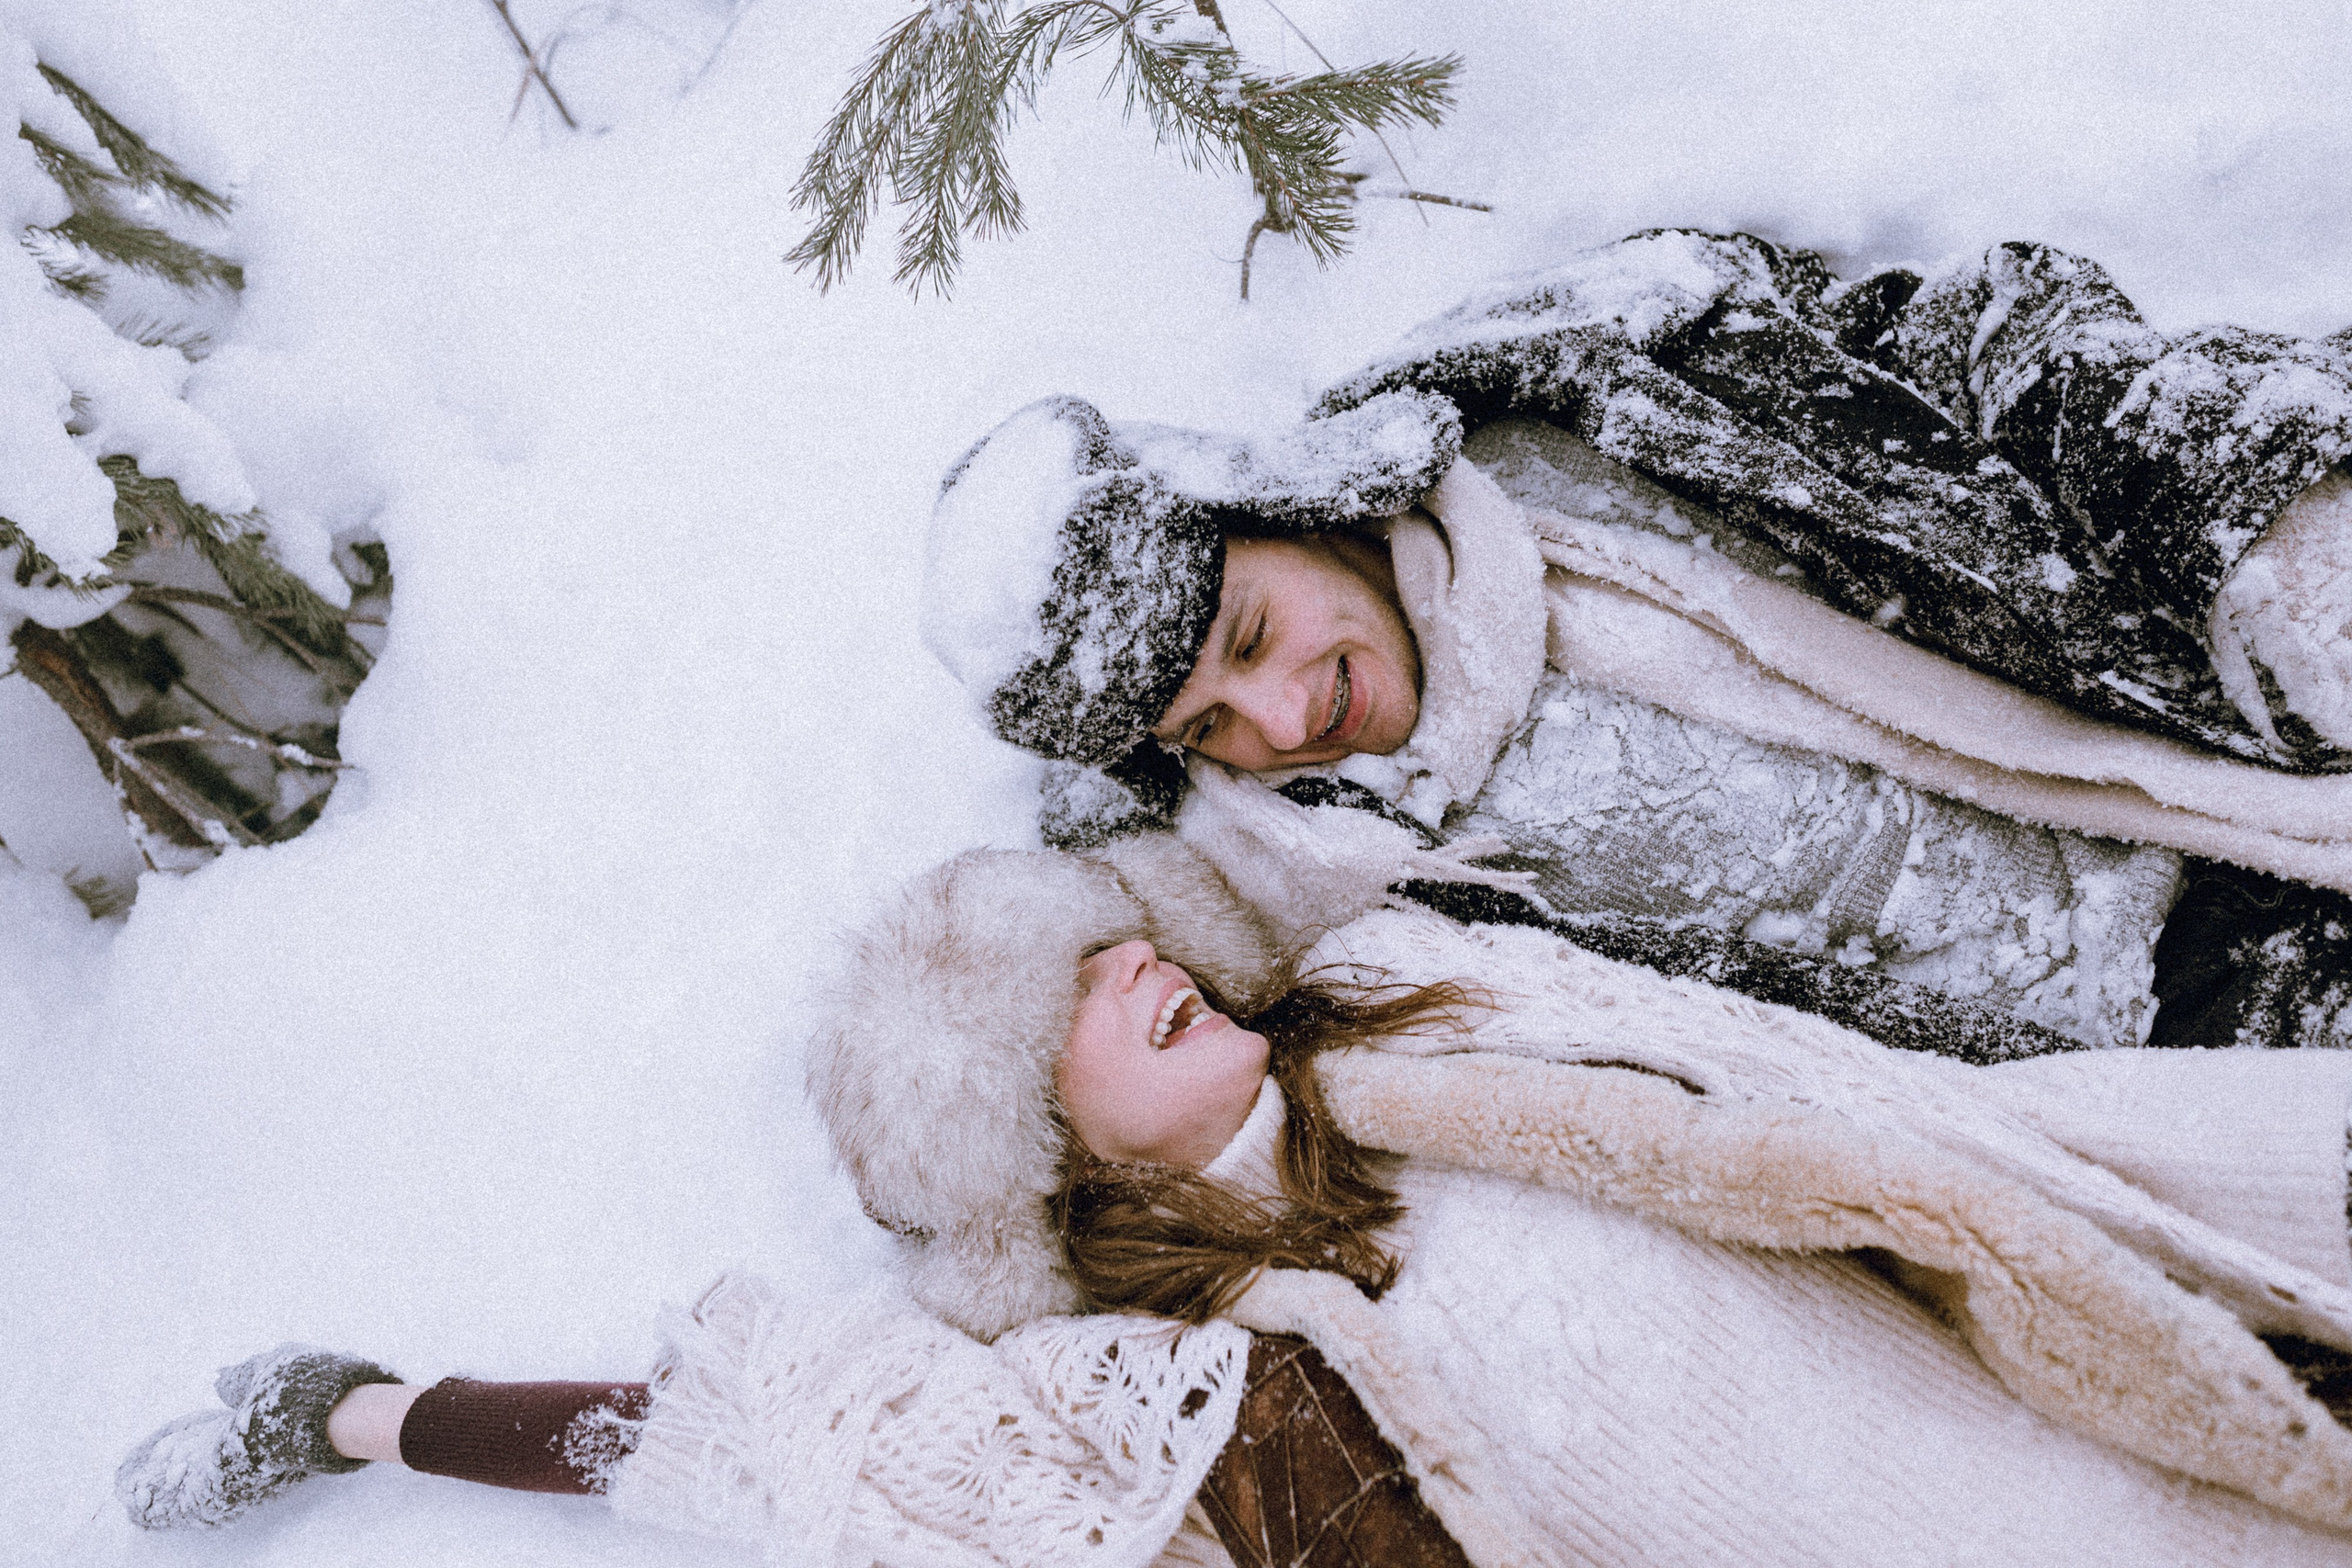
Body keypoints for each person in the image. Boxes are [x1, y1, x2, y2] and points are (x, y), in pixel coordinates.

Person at [119, 839, 2352, 1563]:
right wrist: (373, 1411)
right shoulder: (1191, 1381)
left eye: (1124, 927)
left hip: (2086, 1269)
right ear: (1037, 1148)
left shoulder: (1417, 994)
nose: (1136, 957)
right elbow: (748, 1427)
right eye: (1064, 997)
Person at [920, 230, 2352, 1058]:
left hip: (2195, 717)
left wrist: (2234, 497)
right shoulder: (1311, 894)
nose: (1278, 723)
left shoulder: (1588, 407)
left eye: (1248, 635)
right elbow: (1056, 1059)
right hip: (2153, 1047)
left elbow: (1957, 345)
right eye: (1202, 728)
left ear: (1292, 504)